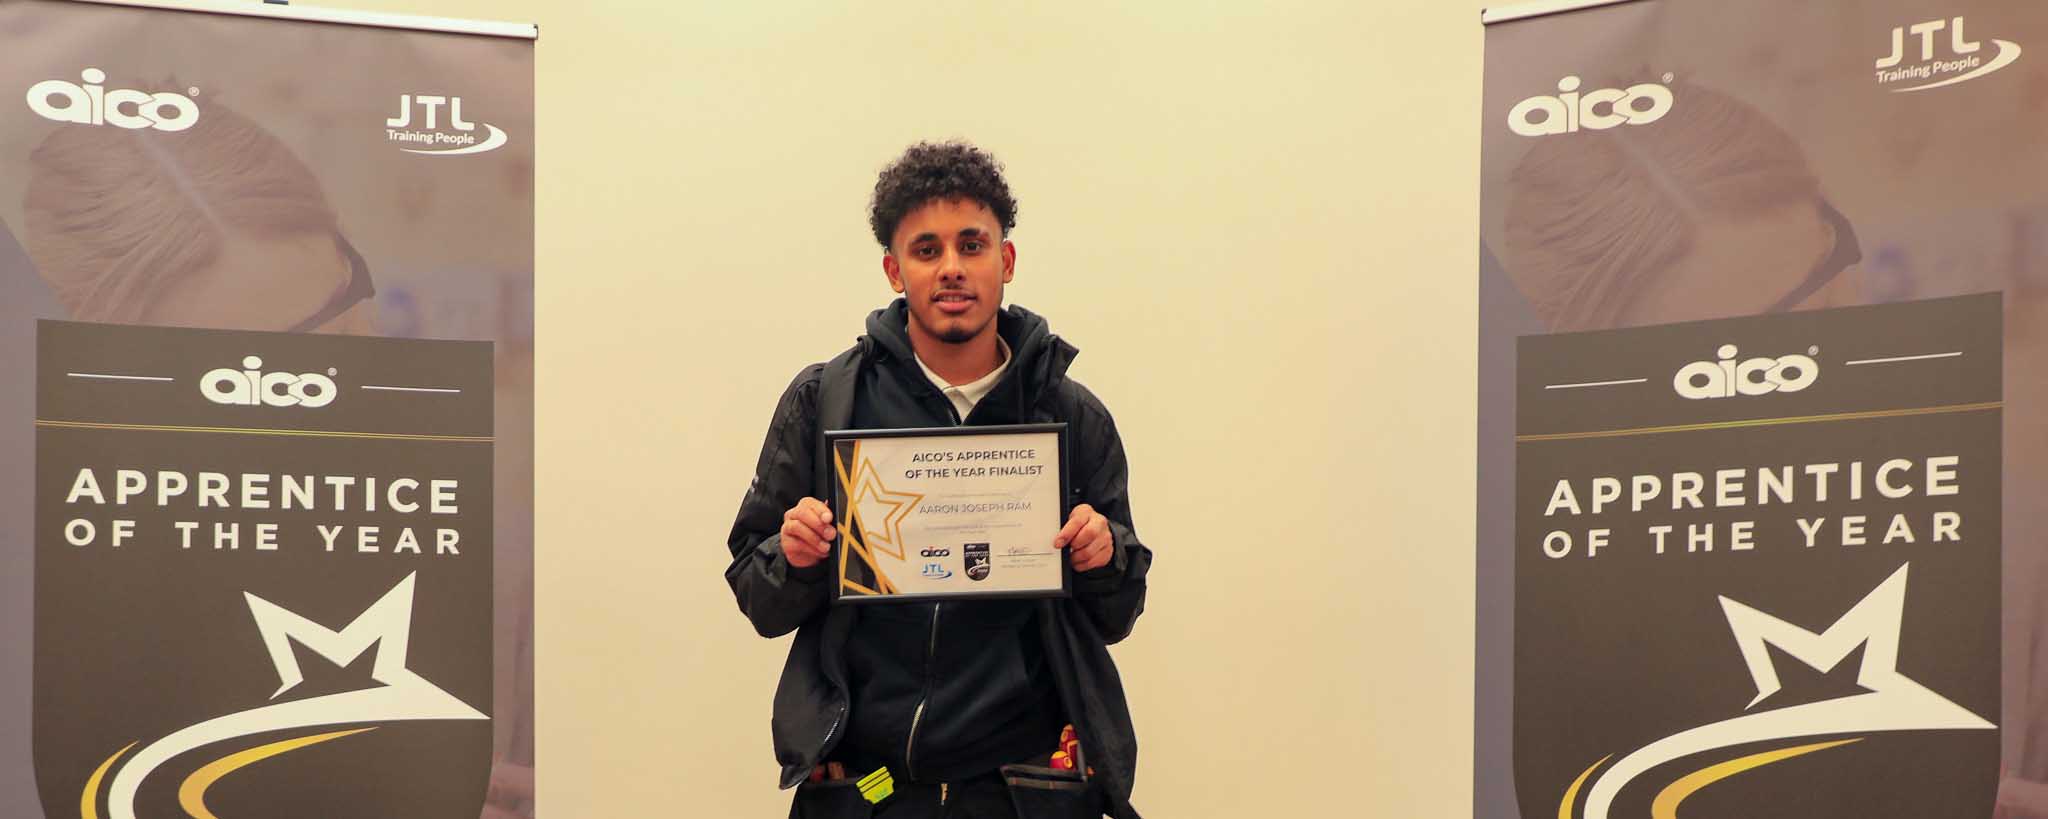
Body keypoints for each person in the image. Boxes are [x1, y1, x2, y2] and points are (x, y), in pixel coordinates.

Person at [725, 141, 1151, 819]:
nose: (951, 268)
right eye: (927, 250)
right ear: (895, 271)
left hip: (1021, 792)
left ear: (1004, 260)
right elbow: (758, 594)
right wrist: (794, 555)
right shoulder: (825, 401)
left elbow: (1119, 611)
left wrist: (1105, 555)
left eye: (971, 245)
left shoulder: (1068, 414)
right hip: (871, 790)